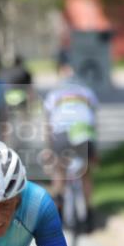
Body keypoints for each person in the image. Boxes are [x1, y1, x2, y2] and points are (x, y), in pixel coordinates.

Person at [42, 55, 99, 231]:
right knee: (86, 174)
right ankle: (89, 216)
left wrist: (49, 149)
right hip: (84, 132)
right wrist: (95, 151)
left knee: (59, 171)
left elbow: (48, 126)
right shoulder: (88, 92)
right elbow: (94, 122)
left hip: (61, 134)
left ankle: (58, 207)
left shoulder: (53, 94)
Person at [0, 55, 36, 149]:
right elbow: (29, 89)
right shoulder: (25, 72)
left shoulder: (6, 72)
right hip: (21, 99)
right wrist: (31, 102)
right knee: (23, 121)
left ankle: (7, 142)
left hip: (8, 100)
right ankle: (22, 141)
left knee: (8, 122)